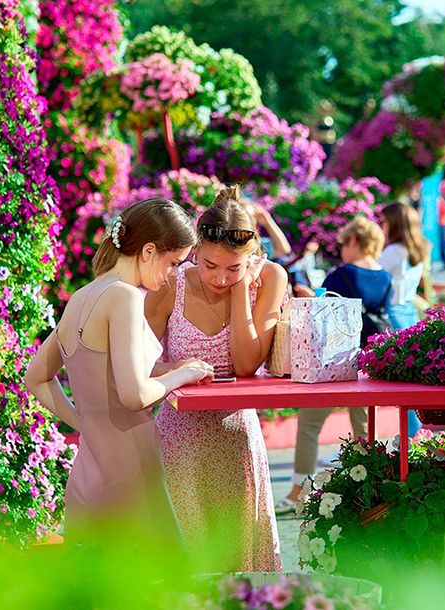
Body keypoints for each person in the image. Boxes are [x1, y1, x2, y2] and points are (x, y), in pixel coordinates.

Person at [23, 198, 213, 544]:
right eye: (173, 263)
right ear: (148, 251)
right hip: (130, 475)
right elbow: (134, 394)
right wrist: (181, 377)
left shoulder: (81, 296)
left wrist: (85, 423)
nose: (173, 275)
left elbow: (35, 377)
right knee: (157, 592)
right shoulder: (124, 297)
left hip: (89, 473)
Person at [145, 185, 287, 572]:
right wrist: (172, 372)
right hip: (179, 438)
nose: (220, 278)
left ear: (253, 258)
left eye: (233, 268)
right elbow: (139, 357)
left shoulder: (270, 277)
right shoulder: (172, 283)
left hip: (237, 437)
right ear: (194, 251)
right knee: (188, 561)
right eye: (209, 265)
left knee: (241, 564)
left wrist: (243, 289)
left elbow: (245, 363)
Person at [275, 218, 389, 515]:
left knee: (310, 423)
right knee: (364, 429)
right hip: (370, 360)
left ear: (353, 241)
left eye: (342, 244)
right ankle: (371, 488)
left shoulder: (343, 273)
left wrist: (305, 295)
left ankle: (299, 489)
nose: (340, 250)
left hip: (338, 359)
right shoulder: (385, 276)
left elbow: (324, 306)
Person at [379, 202, 429, 437]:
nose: (382, 226)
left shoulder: (392, 252)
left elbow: (376, 279)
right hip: (409, 312)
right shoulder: (418, 250)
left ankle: (412, 433)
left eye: (384, 221)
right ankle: (415, 432)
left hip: (394, 312)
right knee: (411, 379)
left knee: (401, 380)